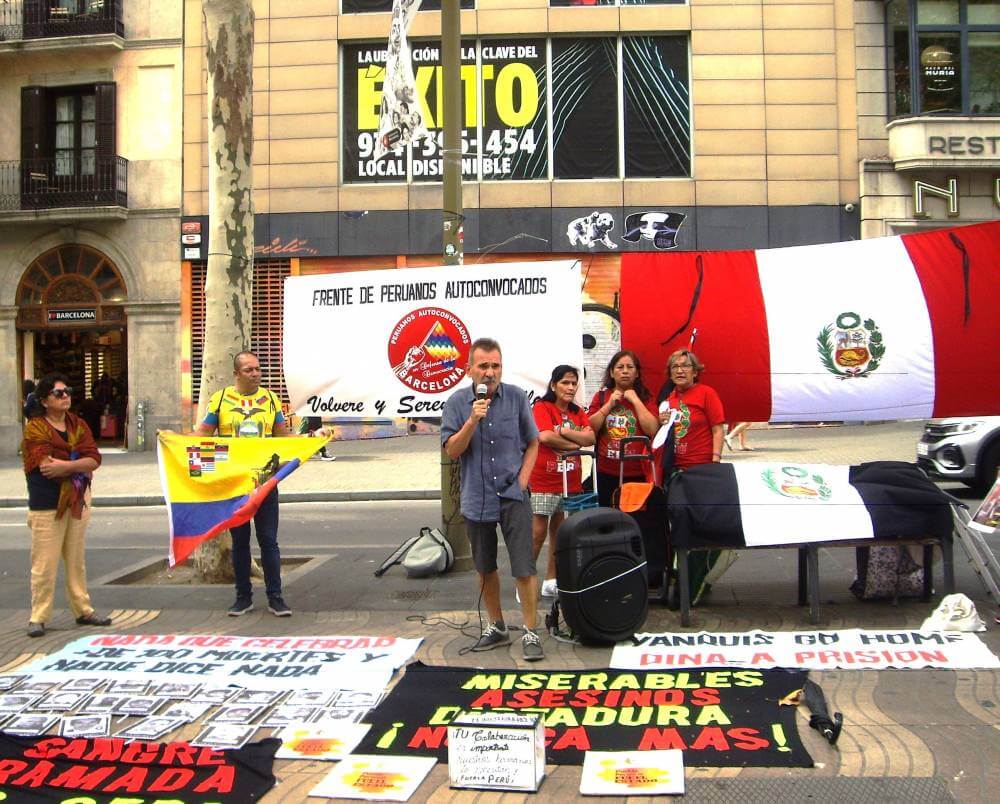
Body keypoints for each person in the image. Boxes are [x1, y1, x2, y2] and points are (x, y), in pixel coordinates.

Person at [441, 338, 543, 661]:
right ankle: (497, 626)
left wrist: (524, 480)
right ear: (469, 369)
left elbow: (534, 442)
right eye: (483, 366)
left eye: (495, 365)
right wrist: (473, 420)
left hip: (514, 496)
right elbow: (452, 450)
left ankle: (530, 631)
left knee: (524, 566)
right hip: (477, 497)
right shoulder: (457, 403)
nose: (489, 372)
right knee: (485, 567)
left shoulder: (515, 398)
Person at [196, 351, 294, 617]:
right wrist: (176, 444)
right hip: (234, 486)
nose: (255, 374)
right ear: (236, 374)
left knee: (269, 541)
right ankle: (243, 598)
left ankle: (276, 597)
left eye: (258, 369)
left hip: (265, 483)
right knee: (240, 543)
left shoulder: (271, 400)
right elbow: (202, 435)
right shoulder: (220, 400)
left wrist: (309, 441)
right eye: (249, 370)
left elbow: (283, 437)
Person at [21, 373, 111, 638]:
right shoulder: (36, 428)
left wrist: (68, 466)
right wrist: (77, 465)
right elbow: (46, 468)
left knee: (76, 560)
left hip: (77, 499)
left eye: (68, 391)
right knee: (44, 564)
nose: (66, 397)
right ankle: (38, 617)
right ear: (45, 400)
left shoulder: (77, 424)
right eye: (59, 393)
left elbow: (93, 458)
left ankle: (83, 610)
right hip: (47, 503)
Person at [658, 349, 728, 604]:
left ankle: (699, 579)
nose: (680, 370)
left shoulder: (706, 393)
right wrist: (660, 421)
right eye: (675, 366)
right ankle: (681, 577)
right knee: (678, 526)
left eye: (685, 366)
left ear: (695, 371)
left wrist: (715, 460)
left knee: (706, 528)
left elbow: (717, 428)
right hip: (677, 472)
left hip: (703, 472)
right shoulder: (667, 399)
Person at [529, 365, 595, 598]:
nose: (570, 387)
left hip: (571, 481)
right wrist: (574, 442)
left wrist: (564, 433)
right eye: (565, 382)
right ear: (553, 385)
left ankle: (551, 578)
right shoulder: (542, 406)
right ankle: (525, 581)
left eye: (573, 383)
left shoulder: (578, 411)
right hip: (545, 479)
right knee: (538, 532)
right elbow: (544, 435)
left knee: (560, 531)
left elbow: (590, 437)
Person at [587, 350, 659, 507]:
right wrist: (608, 405)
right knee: (608, 520)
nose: (625, 371)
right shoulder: (601, 397)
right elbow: (589, 428)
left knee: (635, 518)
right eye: (620, 367)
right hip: (606, 471)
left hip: (637, 472)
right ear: (612, 373)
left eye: (630, 367)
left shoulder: (646, 397)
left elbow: (652, 429)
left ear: (637, 373)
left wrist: (635, 400)